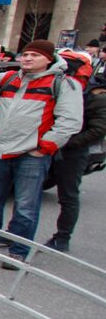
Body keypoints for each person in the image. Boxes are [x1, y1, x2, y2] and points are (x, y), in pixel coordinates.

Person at [0, 40, 83, 265]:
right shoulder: (10, 77)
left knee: (26, 206)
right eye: (25, 54)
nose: (27, 59)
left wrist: (43, 148)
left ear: (48, 58)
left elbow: (70, 122)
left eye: (34, 55)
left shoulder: (63, 84)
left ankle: (18, 251)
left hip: (30, 155)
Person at [44, 69, 106, 252]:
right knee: (28, 194)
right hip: (45, 147)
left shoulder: (95, 97)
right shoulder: (55, 89)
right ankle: (16, 234)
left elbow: (98, 129)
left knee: (68, 196)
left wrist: (65, 143)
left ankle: (62, 237)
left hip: (72, 152)